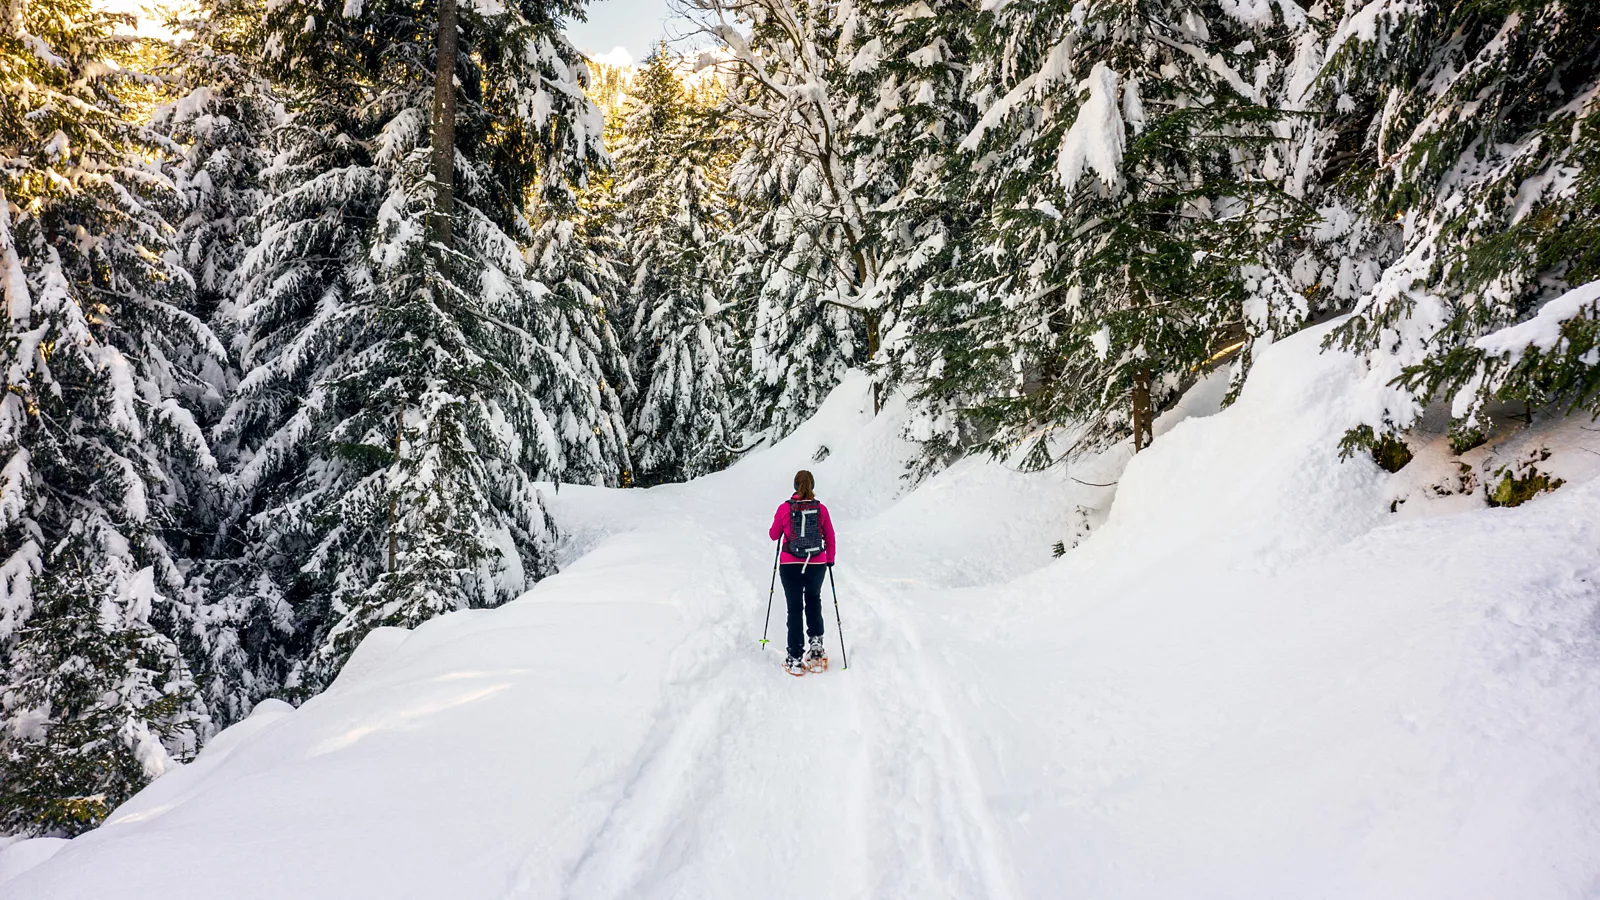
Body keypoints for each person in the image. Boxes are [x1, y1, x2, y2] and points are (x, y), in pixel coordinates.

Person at [769, 469, 836, 674]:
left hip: (790, 564)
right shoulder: (821, 509)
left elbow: (773, 535)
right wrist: (829, 560)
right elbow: (830, 537)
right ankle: (816, 649)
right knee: (814, 600)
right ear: (812, 486)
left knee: (795, 607)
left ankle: (795, 657)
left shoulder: (785, 508)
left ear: (795, 486)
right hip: (817, 563)